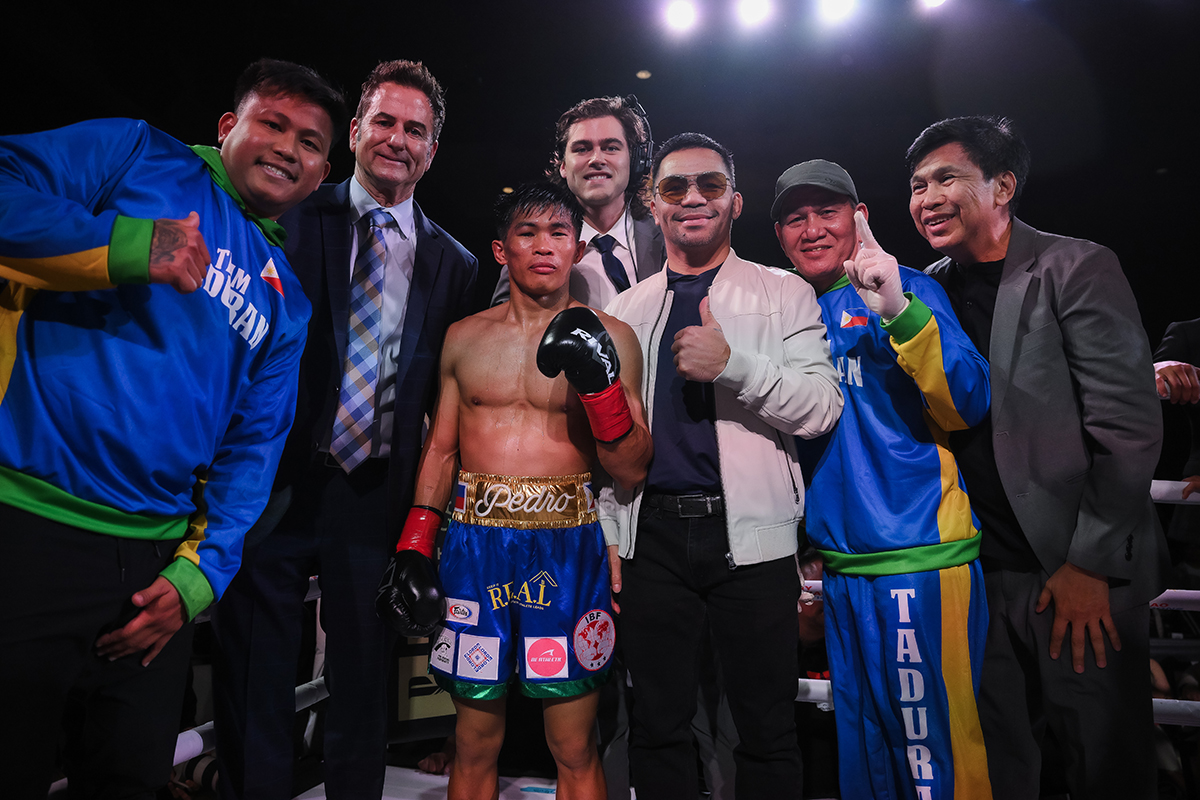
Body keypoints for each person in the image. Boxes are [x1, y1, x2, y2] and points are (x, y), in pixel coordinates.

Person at [0, 58, 344, 800]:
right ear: (229, 129)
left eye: (311, 142)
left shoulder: (286, 301)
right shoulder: (135, 153)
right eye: (273, 124)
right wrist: (125, 244)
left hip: (154, 567)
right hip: (29, 528)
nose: (289, 148)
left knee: (128, 783)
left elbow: (253, 454)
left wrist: (194, 581)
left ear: (321, 173)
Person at [212, 59, 477, 800]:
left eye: (415, 129)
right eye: (384, 122)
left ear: (432, 149)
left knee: (363, 688)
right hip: (273, 485)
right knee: (255, 676)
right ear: (354, 130)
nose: (397, 139)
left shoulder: (453, 263)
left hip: (377, 494)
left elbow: (441, 397)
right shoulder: (287, 213)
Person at [909, 115, 1169, 798]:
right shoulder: (923, 289)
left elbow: (1129, 427)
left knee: (1103, 765)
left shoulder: (1075, 266)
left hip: (1076, 573)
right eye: (916, 185)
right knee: (1000, 768)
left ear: (1002, 186)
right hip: (976, 572)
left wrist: (1088, 563)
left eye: (946, 178)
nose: (927, 197)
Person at [376, 181, 653, 799]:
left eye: (559, 232)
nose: (545, 247)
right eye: (527, 233)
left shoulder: (615, 337)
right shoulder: (464, 337)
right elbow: (442, 449)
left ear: (578, 247)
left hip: (569, 550)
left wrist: (602, 391)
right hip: (474, 551)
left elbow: (633, 467)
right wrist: (415, 544)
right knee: (472, 744)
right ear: (502, 250)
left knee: (574, 746)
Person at [599, 132, 842, 799]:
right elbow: (610, 440)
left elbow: (822, 407)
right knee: (657, 726)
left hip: (754, 540)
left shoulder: (784, 292)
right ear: (652, 203)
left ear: (735, 200)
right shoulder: (624, 309)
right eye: (675, 187)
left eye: (709, 184)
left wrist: (733, 365)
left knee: (766, 730)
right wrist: (611, 532)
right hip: (651, 542)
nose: (693, 198)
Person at [773, 159, 992, 798]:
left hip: (917, 559)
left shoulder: (909, 286)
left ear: (859, 217)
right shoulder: (787, 309)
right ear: (780, 235)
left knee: (933, 758)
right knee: (867, 761)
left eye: (827, 212)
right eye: (795, 218)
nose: (812, 228)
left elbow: (968, 400)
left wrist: (895, 307)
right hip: (841, 569)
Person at [492, 96, 663, 308]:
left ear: (635, 160)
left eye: (611, 147)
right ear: (563, 165)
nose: (597, 159)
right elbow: (503, 323)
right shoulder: (532, 243)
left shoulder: (667, 236)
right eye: (582, 149)